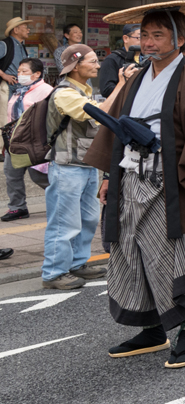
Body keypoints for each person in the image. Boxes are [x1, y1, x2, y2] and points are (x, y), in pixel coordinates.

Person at [87, 0, 185, 367]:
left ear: (179, 39)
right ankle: (152, 328)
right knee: (132, 252)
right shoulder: (137, 77)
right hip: (131, 176)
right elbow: (116, 127)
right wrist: (110, 175)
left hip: (173, 182)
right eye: (145, 36)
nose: (149, 43)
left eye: (158, 35)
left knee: (176, 254)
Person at [41, 45, 128, 289]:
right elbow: (101, 114)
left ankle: (77, 264)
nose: (98, 66)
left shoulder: (85, 90)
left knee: (87, 219)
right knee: (63, 222)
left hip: (86, 165)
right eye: (92, 61)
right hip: (66, 166)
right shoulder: (64, 94)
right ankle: (54, 273)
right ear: (75, 66)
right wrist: (120, 84)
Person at [3, 58, 53, 222]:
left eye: (24, 71)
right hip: (14, 141)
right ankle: (17, 207)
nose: (20, 74)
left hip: (33, 143)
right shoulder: (19, 90)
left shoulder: (46, 90)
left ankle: (63, 201)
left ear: (37, 74)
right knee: (12, 174)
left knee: (38, 176)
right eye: (18, 71)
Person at [98, 25, 142, 98]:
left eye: (146, 37)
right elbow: (106, 90)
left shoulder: (149, 58)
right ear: (125, 38)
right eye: (139, 37)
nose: (144, 41)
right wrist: (125, 82)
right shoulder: (112, 59)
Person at [1, 17, 32, 111]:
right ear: (16, 30)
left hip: (20, 87)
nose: (28, 29)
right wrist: (3, 75)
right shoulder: (4, 44)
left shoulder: (21, 46)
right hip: (8, 87)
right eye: (25, 27)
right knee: (6, 118)